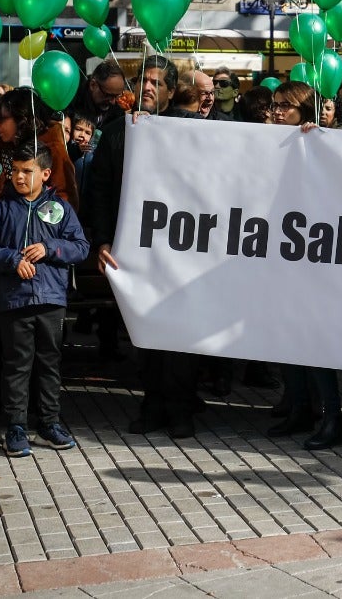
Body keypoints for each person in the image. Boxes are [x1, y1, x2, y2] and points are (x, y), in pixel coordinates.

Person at [88, 56, 208, 439]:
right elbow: (100, 189)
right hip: (136, 250)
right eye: (144, 81)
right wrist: (103, 239)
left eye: (158, 83)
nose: (149, 88)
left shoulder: (191, 127)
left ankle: (181, 408)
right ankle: (153, 405)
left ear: (172, 91)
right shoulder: (117, 131)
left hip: (183, 248)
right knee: (146, 330)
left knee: (182, 332)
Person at [0, 143, 90, 458]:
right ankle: (16, 426)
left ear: (45, 174)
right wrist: (12, 260)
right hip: (14, 300)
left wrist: (50, 248)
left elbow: (80, 246)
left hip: (51, 299)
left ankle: (49, 423)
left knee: (49, 363)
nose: (19, 177)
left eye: (27, 171)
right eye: (16, 171)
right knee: (17, 364)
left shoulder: (60, 207)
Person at [261, 82, 342, 450]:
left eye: (287, 105)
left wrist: (318, 138)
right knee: (287, 336)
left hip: (313, 253)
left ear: (305, 110)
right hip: (280, 251)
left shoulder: (319, 141)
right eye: (275, 104)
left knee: (314, 340)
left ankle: (334, 417)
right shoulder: (268, 141)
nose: (278, 111)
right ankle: (300, 408)